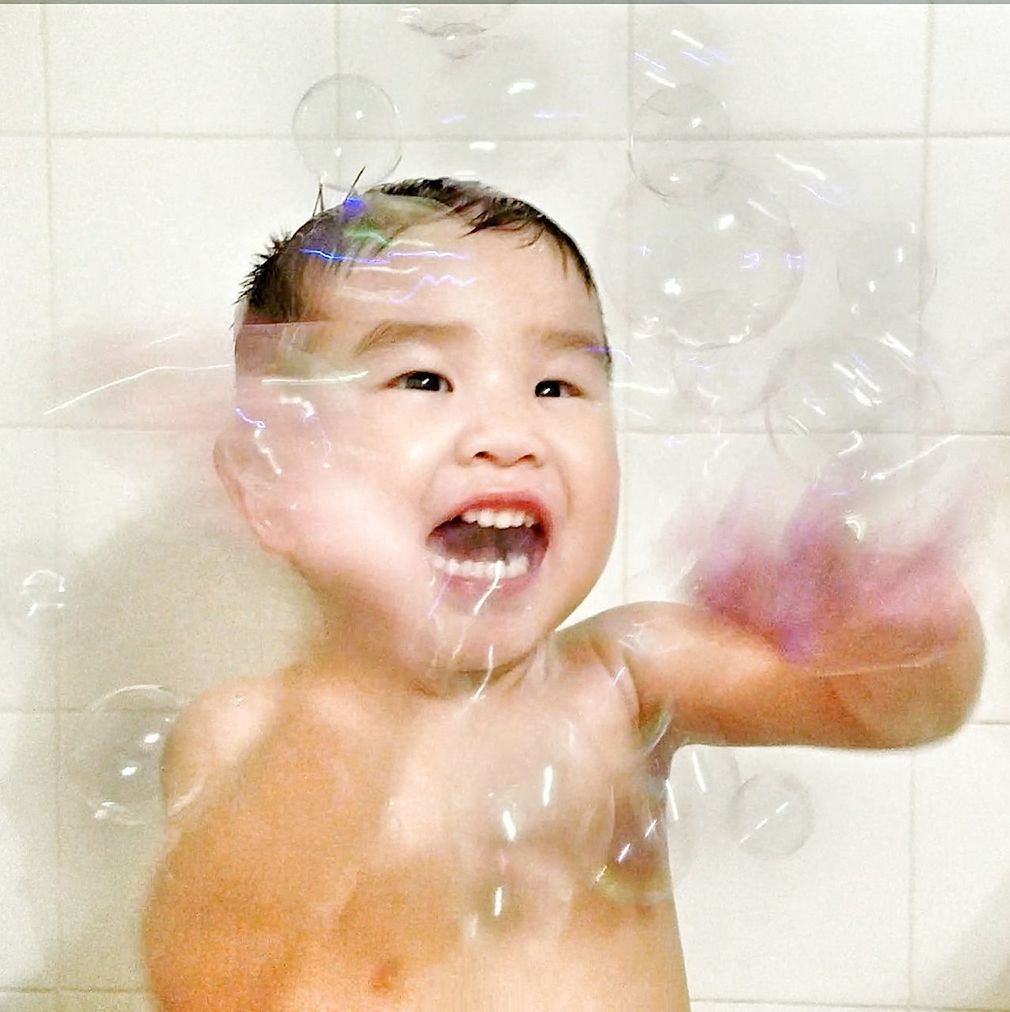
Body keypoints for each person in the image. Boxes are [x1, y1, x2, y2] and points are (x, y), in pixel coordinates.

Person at [142, 178, 984, 1011]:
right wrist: (349, 706)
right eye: (424, 379)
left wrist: (888, 619)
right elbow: (209, 979)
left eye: (557, 386)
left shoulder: (624, 681)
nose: (512, 436)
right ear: (274, 482)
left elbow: (898, 708)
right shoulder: (247, 733)